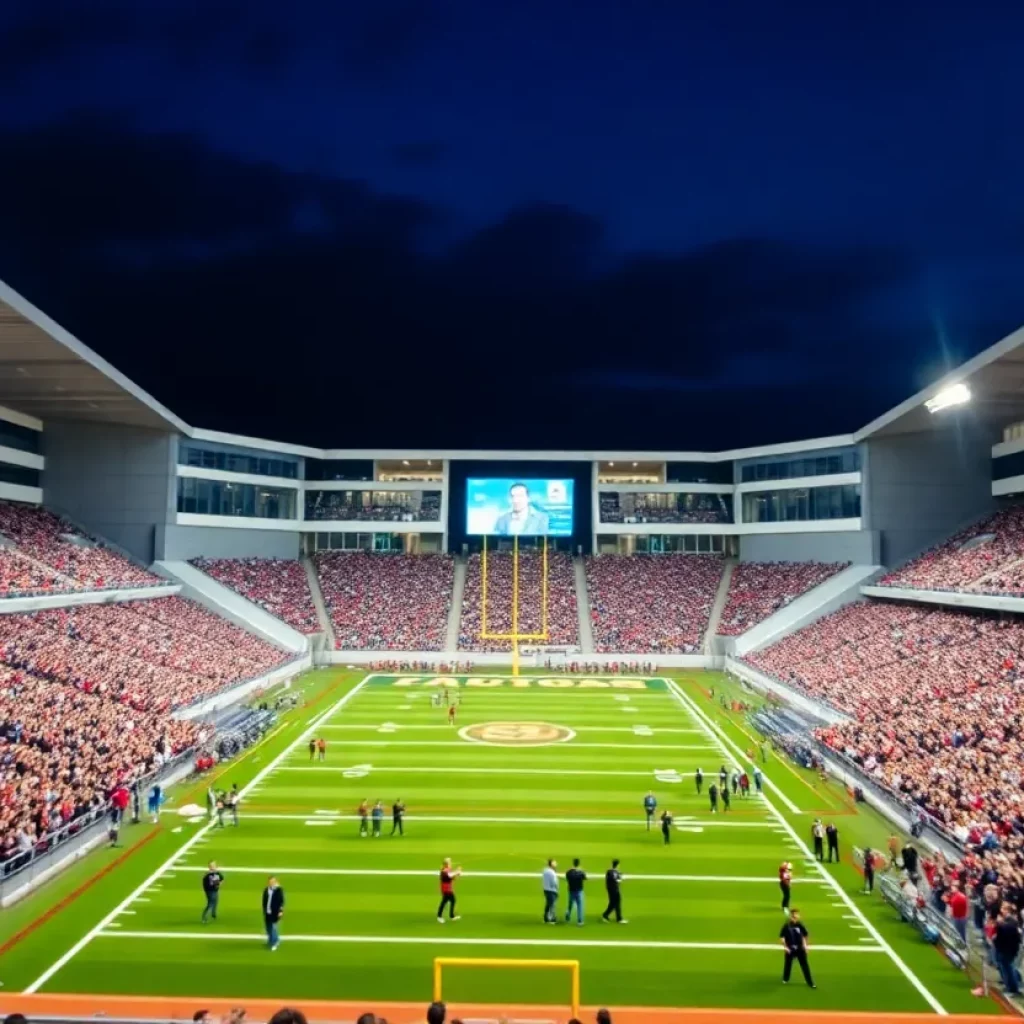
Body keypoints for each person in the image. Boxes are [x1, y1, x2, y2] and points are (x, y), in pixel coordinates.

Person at [780, 909, 816, 988]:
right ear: (791, 916)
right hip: (790, 948)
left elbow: (805, 935)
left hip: (800, 949)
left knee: (805, 965)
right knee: (788, 964)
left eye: (797, 915)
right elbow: (782, 938)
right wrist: (785, 947)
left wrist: (806, 946)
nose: (796, 916)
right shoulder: (786, 926)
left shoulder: (800, 925)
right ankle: (786, 978)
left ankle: (810, 982)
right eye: (794, 915)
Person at [994, 905, 1022, 995]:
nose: (1001, 910)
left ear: (1007, 911)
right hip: (1003, 948)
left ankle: (1013, 989)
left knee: (1009, 969)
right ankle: (1008, 986)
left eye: (1003, 909)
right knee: (1005, 968)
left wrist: (1000, 924)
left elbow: (1007, 932)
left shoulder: (1012, 921)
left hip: (1008, 949)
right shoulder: (1006, 921)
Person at [262, 876, 285, 951]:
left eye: (272, 881)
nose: (271, 883)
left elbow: (281, 901)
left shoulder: (279, 890)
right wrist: (264, 910)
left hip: (274, 913)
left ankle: (275, 942)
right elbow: (264, 901)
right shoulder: (266, 890)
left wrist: (280, 911)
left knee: (273, 928)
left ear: (275, 882)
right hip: (267, 913)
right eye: (270, 882)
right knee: (268, 928)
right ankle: (271, 940)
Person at [602, 859, 626, 924]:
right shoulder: (614, 873)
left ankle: (607, 915)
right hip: (614, 890)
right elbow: (615, 880)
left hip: (611, 890)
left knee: (613, 904)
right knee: (615, 903)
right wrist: (620, 879)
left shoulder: (609, 871)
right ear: (617, 865)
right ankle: (618, 918)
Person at [438, 858, 461, 923]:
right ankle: (440, 916)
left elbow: (453, 878)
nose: (451, 863)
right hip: (446, 889)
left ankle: (451, 916)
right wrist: (457, 871)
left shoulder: (448, 870)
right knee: (445, 901)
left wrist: (457, 873)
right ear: (446, 864)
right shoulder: (443, 871)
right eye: (449, 862)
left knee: (450, 900)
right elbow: (449, 876)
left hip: (448, 888)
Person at [565, 858, 586, 926]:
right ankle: (580, 921)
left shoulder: (569, 872)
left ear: (573, 863)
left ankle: (568, 916)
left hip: (571, 891)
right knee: (580, 906)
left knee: (570, 905)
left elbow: (567, 877)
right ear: (578, 864)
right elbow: (584, 877)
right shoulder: (581, 872)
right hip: (579, 891)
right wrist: (581, 870)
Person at [542, 859, 559, 923]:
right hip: (552, 890)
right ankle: (552, 918)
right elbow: (554, 883)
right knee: (552, 905)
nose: (556, 865)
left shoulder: (545, 871)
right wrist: (556, 889)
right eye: (554, 863)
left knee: (548, 904)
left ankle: (545, 917)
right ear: (551, 864)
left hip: (546, 889)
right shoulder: (552, 872)